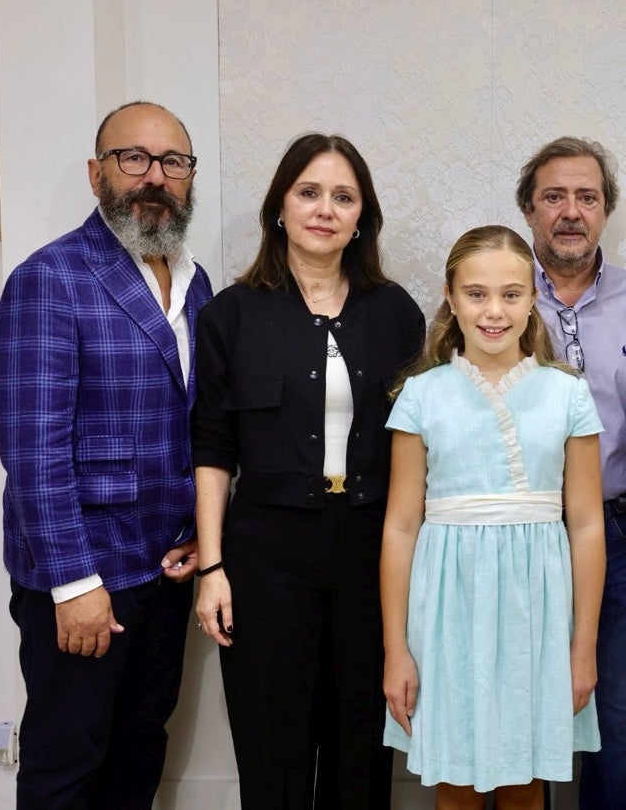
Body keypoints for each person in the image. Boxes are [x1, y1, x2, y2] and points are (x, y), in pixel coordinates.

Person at [191, 133, 425, 808]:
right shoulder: (230, 316)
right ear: (279, 208)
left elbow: (419, 448)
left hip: (367, 552)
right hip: (265, 555)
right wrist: (211, 569)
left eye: (343, 197)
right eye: (309, 192)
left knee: (361, 754)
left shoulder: (396, 315)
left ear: (362, 218)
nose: (325, 208)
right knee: (273, 753)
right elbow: (211, 449)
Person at [0, 100, 212, 808]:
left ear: (189, 178)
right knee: (66, 766)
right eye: (134, 158)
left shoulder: (197, 283)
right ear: (98, 173)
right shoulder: (49, 278)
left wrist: (200, 538)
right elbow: (33, 451)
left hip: (165, 573)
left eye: (172, 162)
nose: (154, 176)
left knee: (138, 753)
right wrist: (72, 584)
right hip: (86, 583)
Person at [380, 225, 606, 810]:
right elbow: (401, 527)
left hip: (539, 612)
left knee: (526, 779)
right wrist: (396, 649)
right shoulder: (421, 395)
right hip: (447, 611)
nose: (494, 310)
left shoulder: (567, 395)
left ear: (534, 297)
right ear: (451, 300)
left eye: (511, 293)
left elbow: (585, 525)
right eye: (476, 293)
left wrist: (582, 648)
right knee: (455, 779)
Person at [517, 137, 626, 810]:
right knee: (528, 709)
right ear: (529, 209)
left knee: (616, 714)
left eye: (587, 197)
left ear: (606, 211)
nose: (571, 211)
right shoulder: (497, 295)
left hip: (615, 529)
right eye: (554, 196)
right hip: (523, 532)